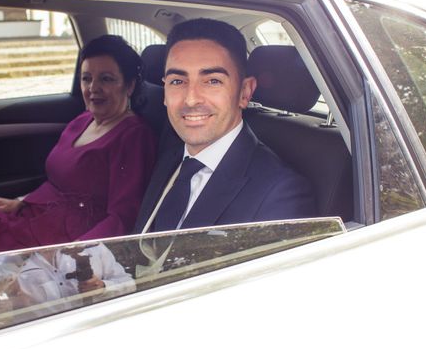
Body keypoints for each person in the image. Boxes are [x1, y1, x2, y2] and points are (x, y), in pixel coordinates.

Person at [0, 35, 157, 265]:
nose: (93, 88)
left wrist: (73, 255)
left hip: (65, 239)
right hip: (36, 215)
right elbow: (57, 182)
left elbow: (122, 218)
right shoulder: (83, 120)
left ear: (130, 86)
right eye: (86, 78)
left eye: (107, 79)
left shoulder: (134, 136)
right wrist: (20, 203)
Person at [133, 18, 315, 234]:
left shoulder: (280, 194)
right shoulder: (172, 159)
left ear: (244, 92)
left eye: (212, 81)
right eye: (177, 81)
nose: (191, 100)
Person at [0, 243, 135, 311]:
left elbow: (130, 284)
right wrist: (19, 257)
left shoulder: (92, 245)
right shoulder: (7, 255)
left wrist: (104, 287)